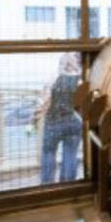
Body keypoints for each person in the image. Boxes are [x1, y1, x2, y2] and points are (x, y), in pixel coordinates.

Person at [39, 52, 82, 184]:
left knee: (48, 152)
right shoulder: (81, 81)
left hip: (53, 121)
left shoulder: (53, 78)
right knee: (70, 154)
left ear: (61, 63)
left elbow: (44, 102)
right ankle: (68, 185)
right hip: (74, 122)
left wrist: (35, 118)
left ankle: (47, 185)